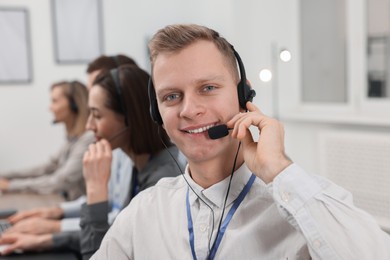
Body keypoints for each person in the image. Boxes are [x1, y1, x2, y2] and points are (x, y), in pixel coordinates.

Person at [90, 24, 390, 259]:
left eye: (208, 87)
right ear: (157, 112)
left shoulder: (301, 205)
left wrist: (279, 171)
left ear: (243, 95)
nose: (189, 110)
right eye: (171, 96)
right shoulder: (144, 212)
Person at [0, 64, 184, 257]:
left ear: (130, 118)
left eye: (97, 115)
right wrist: (48, 239)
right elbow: (116, 236)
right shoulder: (138, 165)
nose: (89, 126)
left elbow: (97, 254)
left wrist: (96, 189)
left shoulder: (162, 180)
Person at [0, 81, 93, 201]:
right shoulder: (73, 140)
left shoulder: (87, 140)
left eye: (55, 101)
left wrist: (10, 186)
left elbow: (59, 181)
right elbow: (47, 168)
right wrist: (5, 176)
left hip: (77, 209)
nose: (50, 107)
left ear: (74, 105)